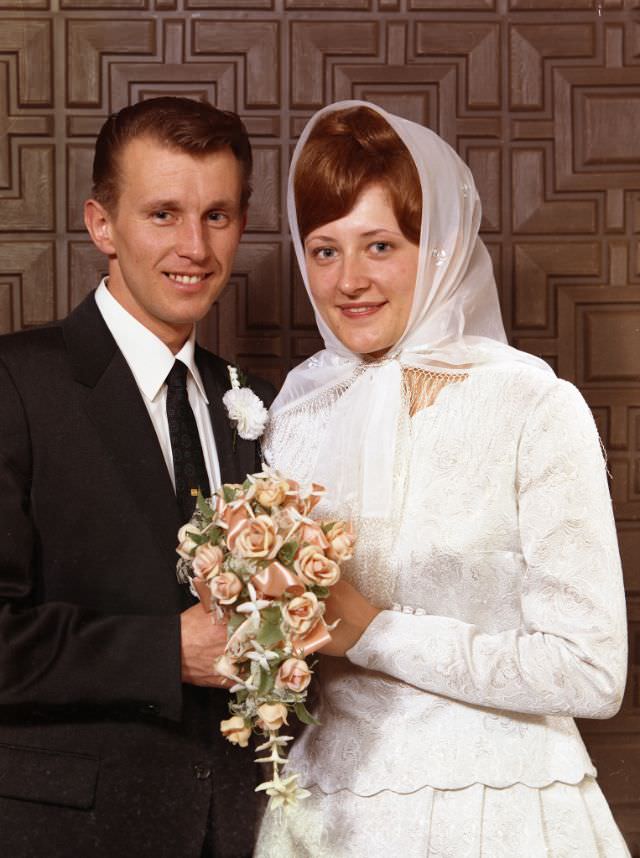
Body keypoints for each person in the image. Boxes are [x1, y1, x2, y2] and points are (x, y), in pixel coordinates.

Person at [254, 101, 630, 857]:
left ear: (442, 248)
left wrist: (375, 633)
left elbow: (592, 671)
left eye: (380, 245)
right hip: (326, 816)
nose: (349, 280)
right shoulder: (298, 409)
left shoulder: (530, 403)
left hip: (505, 812)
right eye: (324, 251)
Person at [0, 96, 273, 858]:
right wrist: (164, 651)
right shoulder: (14, 385)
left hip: (238, 828)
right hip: (63, 831)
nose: (194, 245)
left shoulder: (254, 402)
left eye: (217, 215)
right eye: (163, 214)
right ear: (101, 225)